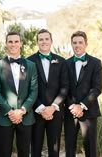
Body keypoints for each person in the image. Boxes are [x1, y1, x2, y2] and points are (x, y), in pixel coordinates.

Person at [0, 31, 38, 157]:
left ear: (21, 43)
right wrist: (10, 111)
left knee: (24, 153)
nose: (13, 44)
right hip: (5, 117)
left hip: (25, 117)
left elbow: (34, 91)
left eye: (16, 41)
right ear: (6, 44)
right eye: (10, 42)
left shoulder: (31, 65)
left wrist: (22, 110)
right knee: (4, 152)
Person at [27, 29, 69, 157]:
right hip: (35, 111)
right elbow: (28, 87)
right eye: (41, 39)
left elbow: (65, 87)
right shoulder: (29, 61)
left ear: (51, 41)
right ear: (37, 42)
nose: (44, 42)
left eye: (46, 39)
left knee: (54, 149)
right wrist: (40, 107)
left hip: (55, 111)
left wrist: (53, 107)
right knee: (35, 149)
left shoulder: (61, 61)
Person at [64, 31, 102, 157]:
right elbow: (64, 88)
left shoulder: (96, 63)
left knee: (90, 148)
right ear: (71, 44)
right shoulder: (66, 63)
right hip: (70, 112)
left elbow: (96, 88)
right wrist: (72, 106)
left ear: (86, 44)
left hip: (89, 111)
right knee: (69, 147)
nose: (77, 45)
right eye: (74, 43)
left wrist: (81, 106)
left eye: (80, 42)